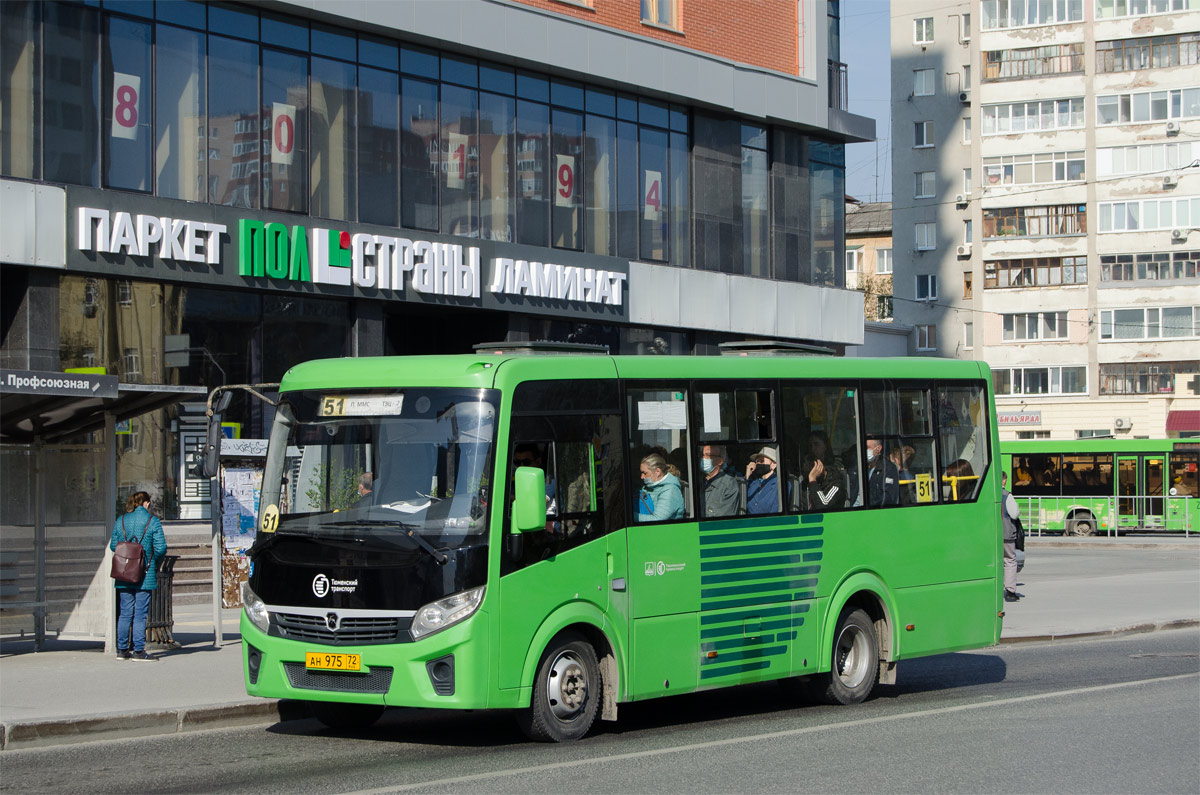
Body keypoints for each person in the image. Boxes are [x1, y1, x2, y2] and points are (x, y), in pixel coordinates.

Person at [109, 491, 168, 661]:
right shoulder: (152, 521)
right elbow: (161, 548)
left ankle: (121, 650)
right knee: (140, 613)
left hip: (124, 572)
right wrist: (151, 561)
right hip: (145, 573)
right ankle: (139, 651)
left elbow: (114, 545)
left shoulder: (121, 521)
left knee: (125, 612)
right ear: (147, 503)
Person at [801, 431, 847, 511]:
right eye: (810, 445)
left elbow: (823, 506)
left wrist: (813, 480)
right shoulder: (805, 482)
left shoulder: (835, 481)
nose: (812, 449)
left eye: (816, 444)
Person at [636, 453, 685, 522]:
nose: (642, 477)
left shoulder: (670, 490)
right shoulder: (650, 487)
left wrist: (630, 517)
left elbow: (657, 519)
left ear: (657, 472)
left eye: (645, 473)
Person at [699, 444, 741, 517]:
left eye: (707, 455)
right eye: (702, 455)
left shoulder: (729, 485)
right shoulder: (699, 481)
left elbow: (724, 518)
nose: (703, 458)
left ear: (720, 461)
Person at [1001, 472, 1021, 603]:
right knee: (1009, 560)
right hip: (1006, 533)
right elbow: (1014, 514)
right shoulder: (1007, 495)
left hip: (990, 533)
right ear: (1003, 481)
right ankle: (1010, 591)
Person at [745, 446, 781, 514]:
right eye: (757, 461)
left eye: (762, 461)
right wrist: (747, 477)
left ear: (773, 465)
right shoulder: (752, 482)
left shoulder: (780, 483)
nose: (758, 464)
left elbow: (776, 510)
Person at [865, 437, 899, 506]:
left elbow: (888, 497)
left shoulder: (888, 469)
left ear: (878, 448)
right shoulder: (858, 468)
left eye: (867, 447)